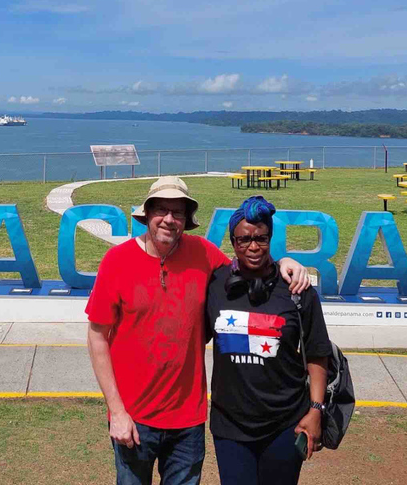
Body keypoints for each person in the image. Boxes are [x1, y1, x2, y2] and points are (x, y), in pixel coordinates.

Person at [86, 177, 310, 485]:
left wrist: (285, 260)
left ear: (186, 220)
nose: (169, 219)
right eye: (161, 209)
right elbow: (97, 337)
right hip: (134, 419)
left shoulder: (204, 254)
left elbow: (248, 263)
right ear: (147, 214)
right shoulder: (116, 261)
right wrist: (117, 411)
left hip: (187, 422)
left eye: (177, 212)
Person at [206, 195, 331, 485]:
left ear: (270, 238)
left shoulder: (297, 290)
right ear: (232, 242)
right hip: (230, 426)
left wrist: (315, 410)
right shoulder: (215, 285)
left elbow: (317, 353)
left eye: (261, 238)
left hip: (285, 425)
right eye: (244, 240)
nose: (252, 246)